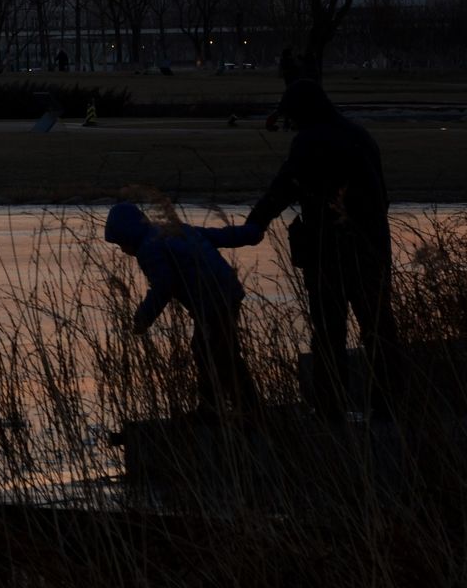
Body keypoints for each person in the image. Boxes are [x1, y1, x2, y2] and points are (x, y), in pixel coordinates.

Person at [244, 78, 400, 419]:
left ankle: (330, 409)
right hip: (374, 248)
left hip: (331, 254)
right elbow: (382, 197)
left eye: (291, 117)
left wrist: (256, 223)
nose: (289, 125)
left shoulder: (310, 140)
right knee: (379, 328)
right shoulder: (360, 135)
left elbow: (286, 185)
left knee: (330, 333)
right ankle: (390, 404)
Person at [104, 201, 263, 420]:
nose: (122, 249)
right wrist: (252, 233)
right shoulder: (174, 231)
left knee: (213, 351)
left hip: (211, 300)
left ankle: (237, 406)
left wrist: (143, 318)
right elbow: (221, 236)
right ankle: (227, 405)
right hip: (227, 292)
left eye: (121, 243)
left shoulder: (149, 248)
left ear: (128, 236)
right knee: (215, 349)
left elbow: (163, 286)